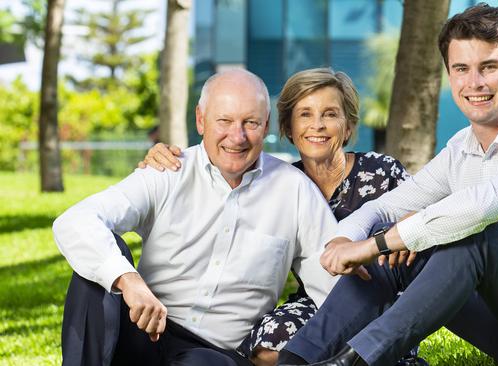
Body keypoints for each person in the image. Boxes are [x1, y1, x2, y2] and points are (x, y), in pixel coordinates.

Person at [276, 4, 498, 366]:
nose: (474, 83)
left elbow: (480, 207)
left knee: (468, 236)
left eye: (488, 67)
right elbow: (385, 207)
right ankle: (297, 360)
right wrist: (347, 239)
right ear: (449, 74)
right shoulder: (461, 148)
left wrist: (379, 242)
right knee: (399, 243)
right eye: (461, 69)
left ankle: (355, 361)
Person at [53, 69, 339, 366]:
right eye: (224, 121)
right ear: (201, 120)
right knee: (97, 273)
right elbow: (75, 221)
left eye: (250, 123)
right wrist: (128, 280)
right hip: (143, 330)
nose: (237, 136)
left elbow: (335, 286)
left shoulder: (295, 191)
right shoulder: (167, 171)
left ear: (266, 124)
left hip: (214, 354)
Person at [141, 68, 422, 366]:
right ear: (287, 127)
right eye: (305, 115)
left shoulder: (382, 171)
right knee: (266, 345)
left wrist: (408, 228)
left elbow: (421, 215)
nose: (318, 125)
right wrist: (161, 156)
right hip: (315, 301)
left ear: (348, 125)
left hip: (385, 298)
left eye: (330, 114)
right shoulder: (283, 182)